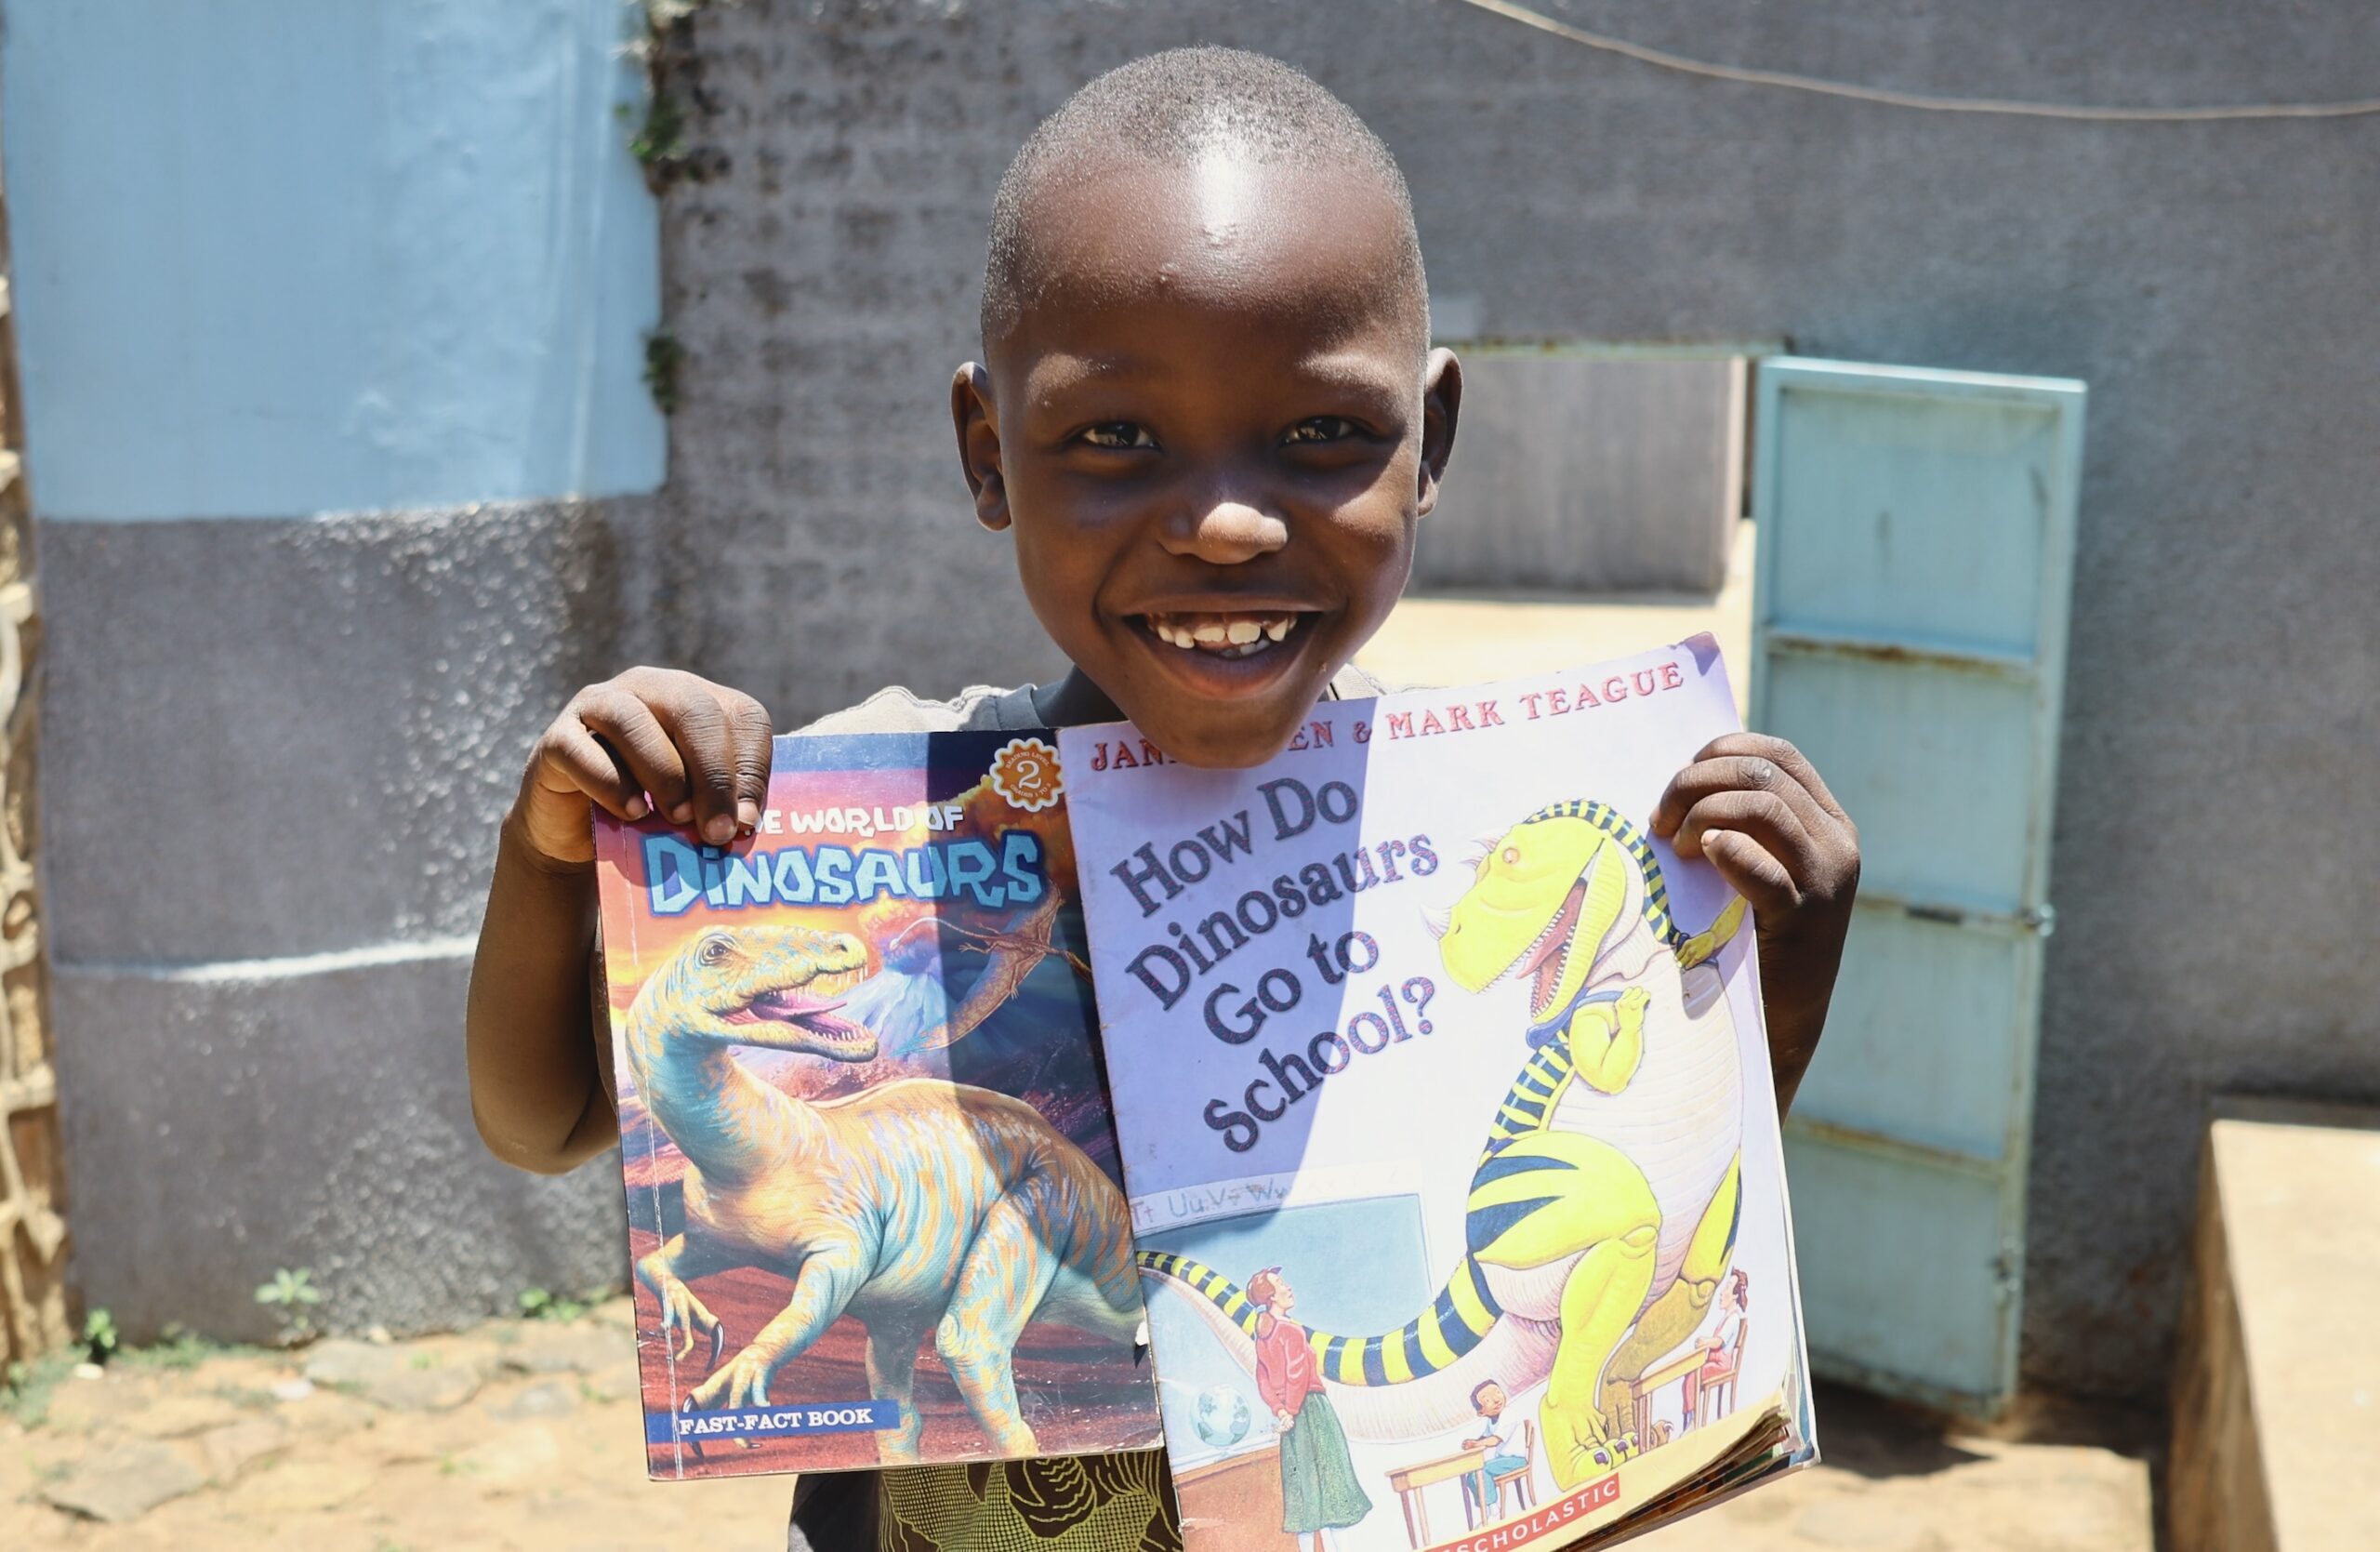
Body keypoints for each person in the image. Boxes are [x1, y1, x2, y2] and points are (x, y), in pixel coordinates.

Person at [464, 45, 1861, 1552]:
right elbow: (541, 1116)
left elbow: (1613, 1236)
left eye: (1323, 432)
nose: (1227, 519)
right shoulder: (870, 832)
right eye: (1115, 438)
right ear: (989, 454)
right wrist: (553, 854)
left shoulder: (1482, 861)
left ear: (1431, 440)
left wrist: (1765, 989)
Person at [1249, 1268, 1372, 1548]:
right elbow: (1297, 1373)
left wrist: (1280, 1411)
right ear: (1270, 1296)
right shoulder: (1291, 1330)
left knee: (1304, 1489)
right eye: (1280, 1284)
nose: (1288, 1287)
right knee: (1333, 1486)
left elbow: (1263, 1379)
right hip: (1311, 1410)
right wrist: (1291, 1409)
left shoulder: (1262, 1335)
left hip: (1289, 1420)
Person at [1681, 1268, 1751, 1429]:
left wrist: (1705, 1342)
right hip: (1712, 1363)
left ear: (1734, 1295)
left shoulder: (1733, 1319)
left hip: (1721, 1366)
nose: (1721, 1293)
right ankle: (1688, 1419)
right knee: (1689, 1376)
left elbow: (1719, 1342)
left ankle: (1692, 1422)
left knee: (1693, 1377)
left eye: (1727, 1288)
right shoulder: (1726, 1318)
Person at [1460, 1379, 1531, 1523]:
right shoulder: (1492, 1420)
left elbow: (1494, 1440)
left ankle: (1494, 1510)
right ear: (1481, 1412)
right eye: (1488, 1400)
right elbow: (1485, 1437)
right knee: (1471, 1476)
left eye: (1497, 1392)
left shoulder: (1508, 1415)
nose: (1496, 1399)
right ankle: (1487, 1508)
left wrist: (1478, 1443)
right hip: (1503, 1461)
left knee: (1483, 1470)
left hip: (1516, 1460)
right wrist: (1473, 1443)